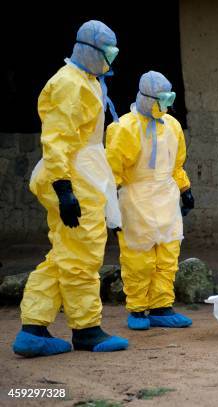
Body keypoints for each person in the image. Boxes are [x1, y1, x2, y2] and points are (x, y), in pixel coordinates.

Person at [13, 20, 128, 357]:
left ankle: (33, 329)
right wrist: (64, 188)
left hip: (83, 172)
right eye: (107, 51)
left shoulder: (87, 81)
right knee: (82, 256)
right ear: (90, 49)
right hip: (74, 175)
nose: (111, 58)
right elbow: (58, 139)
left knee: (64, 255)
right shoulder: (69, 84)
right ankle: (86, 329)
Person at [106, 71, 194, 331]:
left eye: (169, 99)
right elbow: (112, 173)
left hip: (166, 197)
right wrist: (110, 210)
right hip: (136, 199)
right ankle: (137, 308)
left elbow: (177, 164)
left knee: (167, 255)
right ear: (147, 98)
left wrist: (185, 189)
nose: (167, 105)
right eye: (162, 99)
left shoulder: (173, 126)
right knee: (138, 258)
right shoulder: (123, 128)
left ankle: (161, 307)